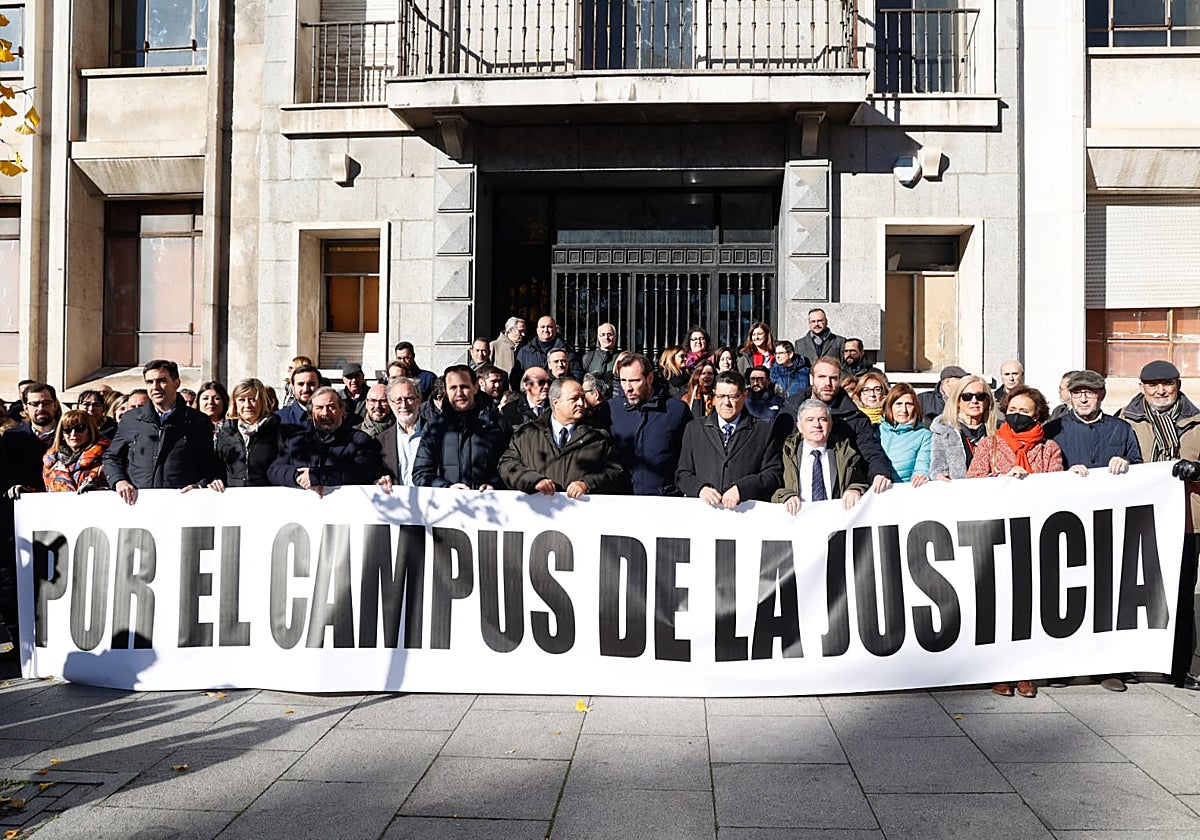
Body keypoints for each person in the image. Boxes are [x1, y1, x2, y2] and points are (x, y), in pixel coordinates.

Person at [967, 385, 1062, 699]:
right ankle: (998, 670)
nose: (1018, 415)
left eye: (1025, 411)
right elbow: (972, 482)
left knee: (1028, 604)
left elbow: (1057, 487)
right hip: (996, 532)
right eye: (1013, 409)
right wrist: (1005, 478)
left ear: (1038, 415)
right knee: (998, 603)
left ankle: (1024, 671)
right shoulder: (990, 443)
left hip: (1034, 534)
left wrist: (1031, 481)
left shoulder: (1049, 448)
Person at [1117, 360, 1200, 691]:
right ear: (1142, 388)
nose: (1160, 390)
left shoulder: (1197, 422)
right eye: (1153, 385)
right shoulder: (1125, 422)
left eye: (1167, 383)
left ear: (1178, 385)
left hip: (1188, 520)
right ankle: (1132, 663)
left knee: (1181, 596)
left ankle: (1179, 668)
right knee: (1136, 593)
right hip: (1139, 521)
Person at [103, 360, 220, 504]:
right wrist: (119, 481)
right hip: (138, 504)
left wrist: (200, 485)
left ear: (176, 383)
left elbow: (209, 464)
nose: (155, 387)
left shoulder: (198, 421)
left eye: (161, 381)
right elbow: (112, 457)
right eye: (150, 382)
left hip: (182, 504)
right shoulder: (131, 419)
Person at [500, 378, 626, 497]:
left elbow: (615, 471)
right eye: (574, 399)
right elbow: (507, 465)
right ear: (556, 403)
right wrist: (533, 481)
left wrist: (587, 484)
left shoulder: (598, 437)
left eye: (582, 398)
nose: (581, 403)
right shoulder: (527, 434)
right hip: (540, 512)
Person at [676, 371, 782, 508]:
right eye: (720, 396)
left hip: (746, 514)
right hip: (704, 514)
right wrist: (700, 489)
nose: (726, 403)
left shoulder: (763, 431)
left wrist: (742, 489)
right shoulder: (694, 429)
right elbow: (682, 474)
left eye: (732, 397)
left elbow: (773, 475)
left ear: (744, 396)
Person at [783, 357, 893, 489]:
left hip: (842, 495)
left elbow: (870, 452)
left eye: (833, 378)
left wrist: (879, 473)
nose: (827, 383)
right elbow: (775, 457)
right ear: (811, 379)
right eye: (822, 377)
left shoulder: (855, 418)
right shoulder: (790, 410)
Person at [268, 387, 385, 493]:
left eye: (331, 407)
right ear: (311, 413)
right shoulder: (296, 441)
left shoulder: (360, 441)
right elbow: (274, 471)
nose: (325, 413)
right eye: (319, 408)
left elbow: (362, 471)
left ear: (342, 410)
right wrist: (300, 476)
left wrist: (319, 476)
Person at [608, 353, 693, 496]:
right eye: (623, 380)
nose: (628, 388)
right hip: (622, 500)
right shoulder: (611, 409)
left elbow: (689, 458)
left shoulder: (676, 410)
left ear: (649, 378)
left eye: (634, 381)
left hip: (665, 500)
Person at [413, 365, 510, 490]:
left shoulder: (497, 424)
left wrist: (494, 485)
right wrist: (447, 487)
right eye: (453, 388)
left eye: (464, 387)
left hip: (489, 503)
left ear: (475, 388)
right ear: (445, 391)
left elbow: (510, 467)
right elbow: (420, 473)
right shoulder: (434, 427)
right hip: (449, 504)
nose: (459, 393)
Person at [773, 398, 869, 513]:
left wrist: (855, 489)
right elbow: (772, 486)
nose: (817, 425)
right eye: (810, 420)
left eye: (822, 419)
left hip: (836, 522)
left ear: (830, 425)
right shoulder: (785, 454)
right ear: (799, 426)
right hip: (797, 520)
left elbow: (860, 482)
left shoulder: (846, 454)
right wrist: (785, 495)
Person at [1045, 370, 1141, 478]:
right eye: (1077, 393)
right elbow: (1044, 472)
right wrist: (1066, 473)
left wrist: (1126, 462)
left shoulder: (1121, 428)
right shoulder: (1053, 430)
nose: (1083, 399)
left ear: (1102, 394)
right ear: (1070, 395)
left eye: (1090, 393)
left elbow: (1138, 464)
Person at [211, 378, 282, 489]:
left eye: (252, 399)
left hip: (267, 496)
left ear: (262, 401)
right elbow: (218, 466)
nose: (247, 405)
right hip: (234, 496)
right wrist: (216, 479)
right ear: (234, 403)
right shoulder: (226, 432)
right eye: (241, 400)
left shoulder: (276, 430)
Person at [929, 375, 996, 481]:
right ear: (958, 401)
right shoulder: (943, 430)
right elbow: (937, 468)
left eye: (980, 396)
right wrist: (940, 476)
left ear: (987, 401)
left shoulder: (998, 431)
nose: (974, 401)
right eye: (967, 396)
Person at [1, 382, 62, 495]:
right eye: (34, 404)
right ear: (25, 407)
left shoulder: (70, 435)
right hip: (24, 503)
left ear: (55, 405)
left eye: (46, 403)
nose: (41, 408)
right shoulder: (12, 437)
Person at [1172, 458, 1200, 690]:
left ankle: (1184, 668)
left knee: (1186, 597)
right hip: (1150, 519)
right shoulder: (1131, 423)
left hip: (1192, 522)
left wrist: (1197, 472)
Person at [878, 384, 931, 487]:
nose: (904, 410)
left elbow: (922, 466)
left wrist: (921, 476)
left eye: (909, 404)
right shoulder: (876, 431)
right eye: (898, 404)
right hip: (875, 492)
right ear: (890, 406)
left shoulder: (924, 436)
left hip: (903, 492)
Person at [42, 410, 108, 493]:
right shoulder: (50, 462)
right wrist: (25, 493)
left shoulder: (106, 457)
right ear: (62, 433)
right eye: (67, 429)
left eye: (80, 428)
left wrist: (97, 491)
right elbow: (45, 493)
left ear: (90, 431)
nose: (73, 433)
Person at [379, 376, 424, 485]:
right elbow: (375, 475)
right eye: (398, 400)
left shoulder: (436, 433)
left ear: (419, 399)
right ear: (390, 403)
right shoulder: (381, 441)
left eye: (409, 399)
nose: (404, 405)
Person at [516, 316, 583, 380]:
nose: (546, 330)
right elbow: (516, 377)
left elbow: (576, 374)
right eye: (542, 327)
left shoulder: (567, 351)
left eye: (549, 327)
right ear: (537, 330)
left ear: (555, 329)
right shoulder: (524, 352)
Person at [277, 364, 321, 430]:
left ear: (320, 387)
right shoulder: (279, 419)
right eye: (300, 384)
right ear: (293, 388)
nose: (305, 389)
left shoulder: (333, 417)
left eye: (311, 384)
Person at [490, 316, 526, 383]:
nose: (523, 334)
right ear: (511, 330)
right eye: (520, 331)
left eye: (524, 331)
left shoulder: (524, 348)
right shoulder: (495, 345)